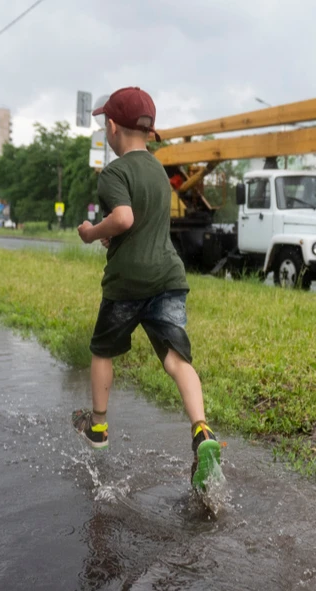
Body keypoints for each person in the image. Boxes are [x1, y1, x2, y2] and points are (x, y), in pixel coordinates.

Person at [72, 87, 221, 491]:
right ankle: (202, 431)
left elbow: (122, 218)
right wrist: (114, 236)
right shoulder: (159, 171)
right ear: (150, 132)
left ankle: (98, 426)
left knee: (103, 351)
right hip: (168, 278)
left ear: (112, 126)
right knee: (177, 360)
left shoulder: (113, 173)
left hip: (127, 283)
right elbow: (144, 223)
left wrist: (92, 233)